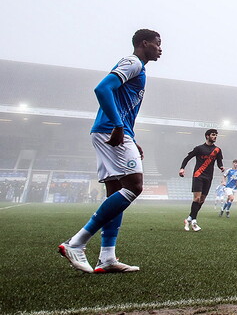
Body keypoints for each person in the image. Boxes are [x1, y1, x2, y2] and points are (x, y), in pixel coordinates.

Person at [58, 29, 162, 274]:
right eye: (158, 44)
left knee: (116, 192)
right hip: (110, 130)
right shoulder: (132, 63)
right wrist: (117, 125)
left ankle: (107, 257)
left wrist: (131, 136)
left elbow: (122, 104)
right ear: (144, 43)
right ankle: (76, 243)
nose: (161, 49)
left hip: (114, 131)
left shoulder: (139, 68)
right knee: (134, 186)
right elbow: (102, 89)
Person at [179, 129, 225, 231]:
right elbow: (187, 158)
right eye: (213, 135)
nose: (215, 137)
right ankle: (194, 221)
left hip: (209, 177)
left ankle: (189, 219)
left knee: (202, 200)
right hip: (198, 175)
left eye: (216, 135)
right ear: (207, 136)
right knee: (197, 199)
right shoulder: (199, 148)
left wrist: (221, 167)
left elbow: (219, 162)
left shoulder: (217, 150)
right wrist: (182, 168)